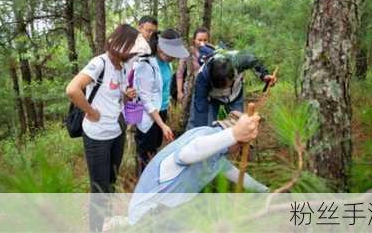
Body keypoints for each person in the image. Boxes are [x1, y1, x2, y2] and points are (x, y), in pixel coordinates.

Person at [128, 110, 267, 225]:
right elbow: (187, 154)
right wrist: (234, 134)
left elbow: (239, 176)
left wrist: (266, 191)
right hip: (146, 215)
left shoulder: (217, 156)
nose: (239, 150)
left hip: (167, 212)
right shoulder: (204, 136)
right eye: (242, 145)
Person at [65, 24, 142, 232]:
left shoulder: (123, 67)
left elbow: (117, 96)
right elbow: (72, 89)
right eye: (132, 47)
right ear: (122, 44)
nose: (134, 52)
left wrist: (128, 96)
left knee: (110, 182)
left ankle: (106, 222)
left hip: (116, 133)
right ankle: (95, 228)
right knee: (99, 189)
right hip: (97, 135)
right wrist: (90, 111)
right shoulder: (99, 63)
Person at [133, 30, 189, 174]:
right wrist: (162, 125)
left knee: (154, 149)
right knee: (145, 153)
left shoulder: (167, 64)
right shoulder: (146, 64)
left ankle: (152, 180)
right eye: (171, 53)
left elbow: (163, 91)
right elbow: (146, 101)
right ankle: (142, 187)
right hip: (149, 117)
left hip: (161, 112)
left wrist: (164, 120)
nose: (173, 58)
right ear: (159, 47)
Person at [188, 49, 277, 128]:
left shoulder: (240, 60)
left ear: (233, 75)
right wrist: (201, 132)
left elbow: (254, 62)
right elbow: (200, 110)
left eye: (226, 85)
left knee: (239, 124)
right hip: (212, 98)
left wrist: (264, 75)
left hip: (235, 95)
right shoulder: (202, 78)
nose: (224, 90)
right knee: (205, 125)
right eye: (220, 88)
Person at [176, 26, 211, 103]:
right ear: (194, 40)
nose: (202, 43)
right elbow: (180, 73)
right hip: (190, 90)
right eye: (199, 40)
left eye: (205, 40)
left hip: (208, 92)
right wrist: (179, 91)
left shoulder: (211, 52)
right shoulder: (187, 53)